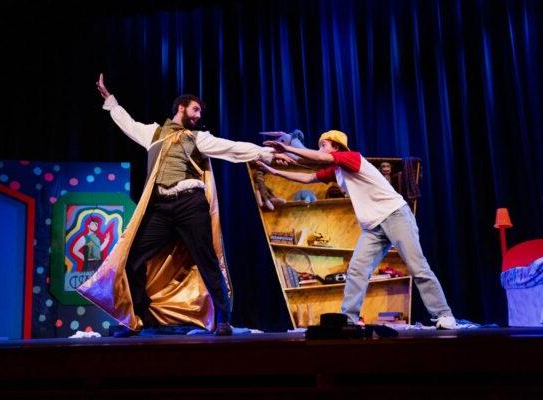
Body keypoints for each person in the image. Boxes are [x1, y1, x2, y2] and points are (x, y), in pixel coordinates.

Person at [79, 73, 286, 337]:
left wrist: (267, 153)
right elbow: (127, 123)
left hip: (191, 204)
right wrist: (111, 101)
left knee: (207, 261)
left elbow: (232, 148)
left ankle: (223, 319)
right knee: (132, 259)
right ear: (181, 107)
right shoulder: (153, 133)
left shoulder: (198, 138)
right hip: (161, 208)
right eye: (196, 109)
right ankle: (140, 319)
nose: (199, 115)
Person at [258, 130, 457, 329]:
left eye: (323, 145)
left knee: (417, 267)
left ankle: (443, 314)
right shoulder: (336, 170)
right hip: (373, 227)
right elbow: (308, 178)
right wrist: (274, 171)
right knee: (356, 271)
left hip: (395, 215)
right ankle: (349, 320)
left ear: (336, 147)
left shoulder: (352, 158)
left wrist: (287, 147)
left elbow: (317, 158)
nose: (320, 149)